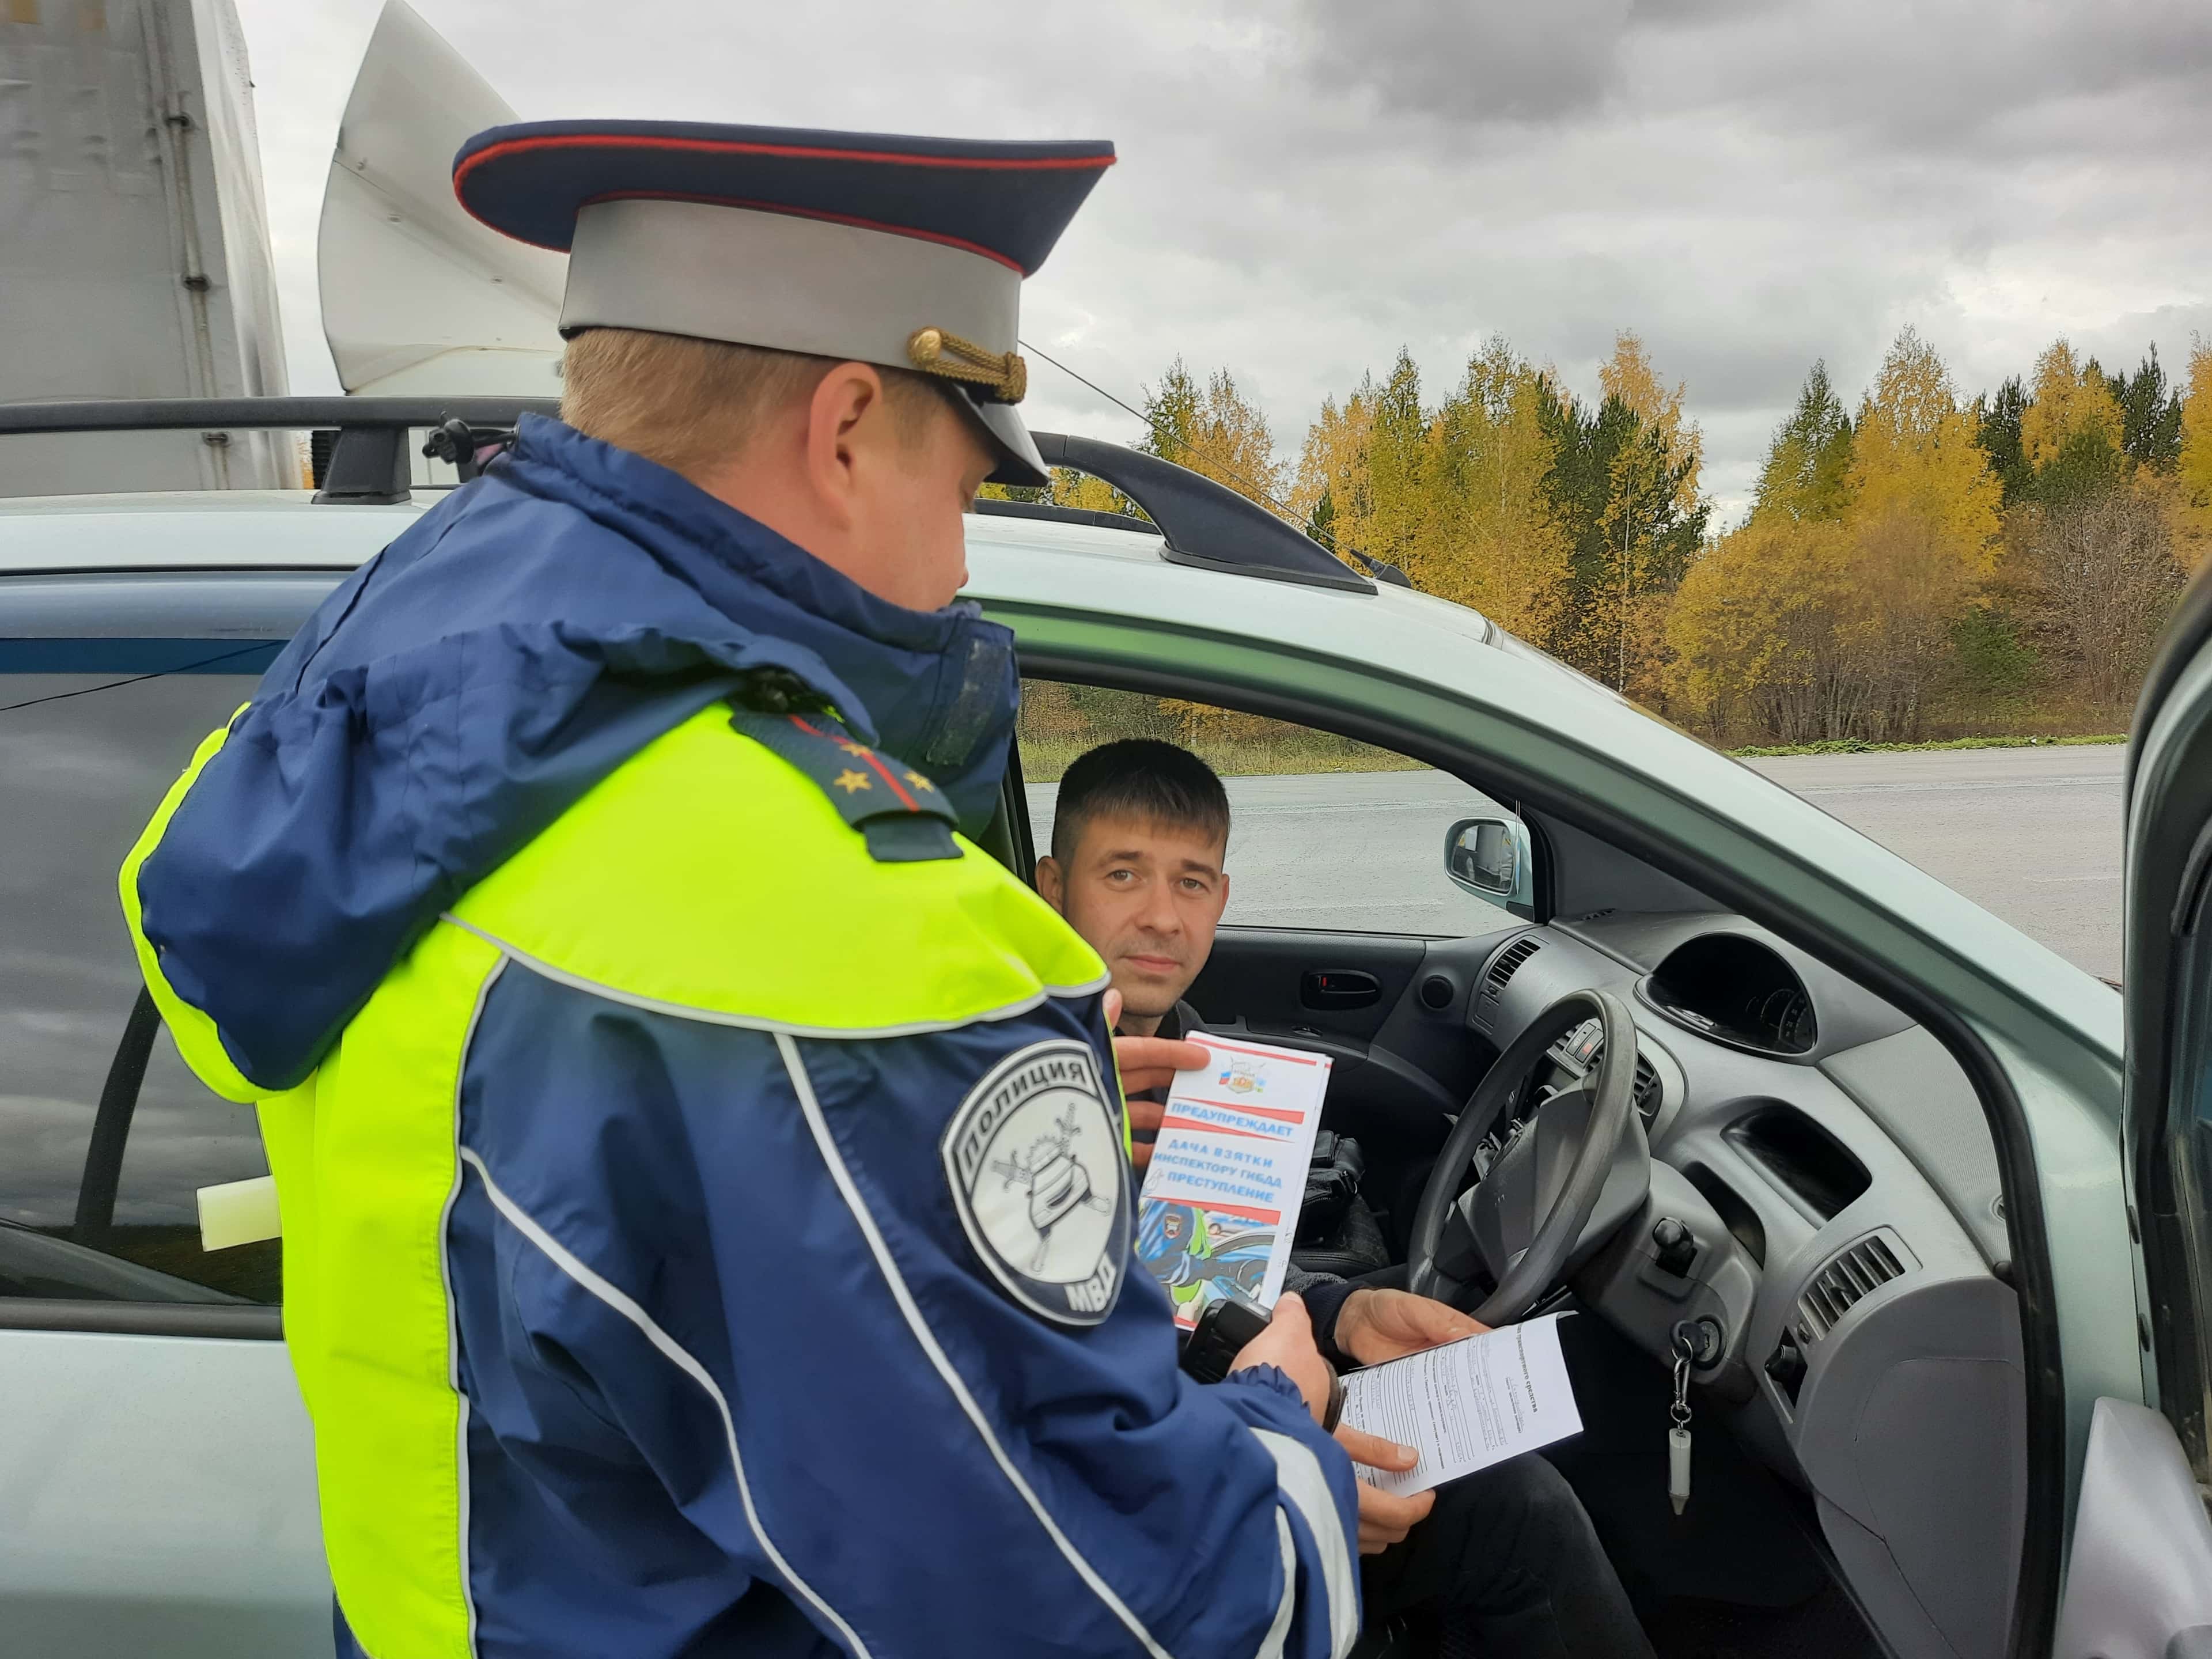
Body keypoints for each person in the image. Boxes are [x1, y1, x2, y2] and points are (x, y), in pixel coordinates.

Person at [119, 121, 1366, 1658]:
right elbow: (1123, 1615)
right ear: (846, 427)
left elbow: (601, 1182)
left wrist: (931, 1127)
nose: (960, 561)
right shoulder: (842, 935)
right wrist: (1282, 1429)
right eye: (964, 484)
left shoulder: (356, 750)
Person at [1039, 738, 1658, 1659]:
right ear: (1053, 888)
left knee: (1526, 1459)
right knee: (1519, 1519)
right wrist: (1286, 1447)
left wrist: (1342, 1313)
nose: (1164, 918)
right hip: (1109, 1503)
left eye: (1194, 882)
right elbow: (1043, 1372)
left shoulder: (1200, 1060)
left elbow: (1191, 1273)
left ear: (1224, 900)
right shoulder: (1019, 1086)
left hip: (1213, 1416)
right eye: (1123, 874)